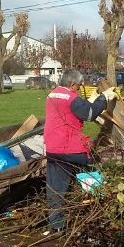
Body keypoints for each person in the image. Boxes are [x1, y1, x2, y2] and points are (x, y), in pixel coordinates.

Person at [44, 69, 115, 232]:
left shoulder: (53, 94)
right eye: (79, 85)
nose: (80, 87)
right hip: (70, 148)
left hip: (53, 147)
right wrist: (104, 98)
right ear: (72, 84)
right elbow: (89, 114)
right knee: (94, 169)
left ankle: (56, 225)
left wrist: (90, 100)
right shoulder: (72, 98)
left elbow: (73, 110)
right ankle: (99, 205)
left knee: (55, 188)